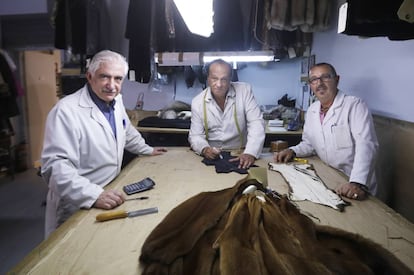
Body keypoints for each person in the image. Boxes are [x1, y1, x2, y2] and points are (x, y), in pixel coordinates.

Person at [41, 50, 167, 237]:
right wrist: (93, 195)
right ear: (90, 77)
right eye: (104, 77)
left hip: (108, 191)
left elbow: (126, 129)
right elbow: (56, 167)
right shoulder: (66, 111)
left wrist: (147, 149)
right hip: (78, 199)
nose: (111, 85)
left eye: (118, 79)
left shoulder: (115, 101)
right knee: (71, 257)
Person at [274, 62, 378, 200]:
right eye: (314, 80)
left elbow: (367, 145)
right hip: (330, 176)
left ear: (337, 79)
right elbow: (309, 144)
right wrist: (292, 151)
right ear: (311, 85)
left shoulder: (354, 105)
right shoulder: (312, 110)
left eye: (325, 77)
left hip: (355, 182)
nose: (320, 83)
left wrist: (357, 182)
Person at [188, 59, 265, 169]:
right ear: (208, 78)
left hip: (241, 153)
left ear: (230, 79)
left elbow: (256, 123)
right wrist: (205, 149)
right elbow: (195, 135)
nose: (219, 84)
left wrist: (251, 152)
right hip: (212, 157)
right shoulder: (197, 102)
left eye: (224, 79)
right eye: (215, 78)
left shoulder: (244, 91)